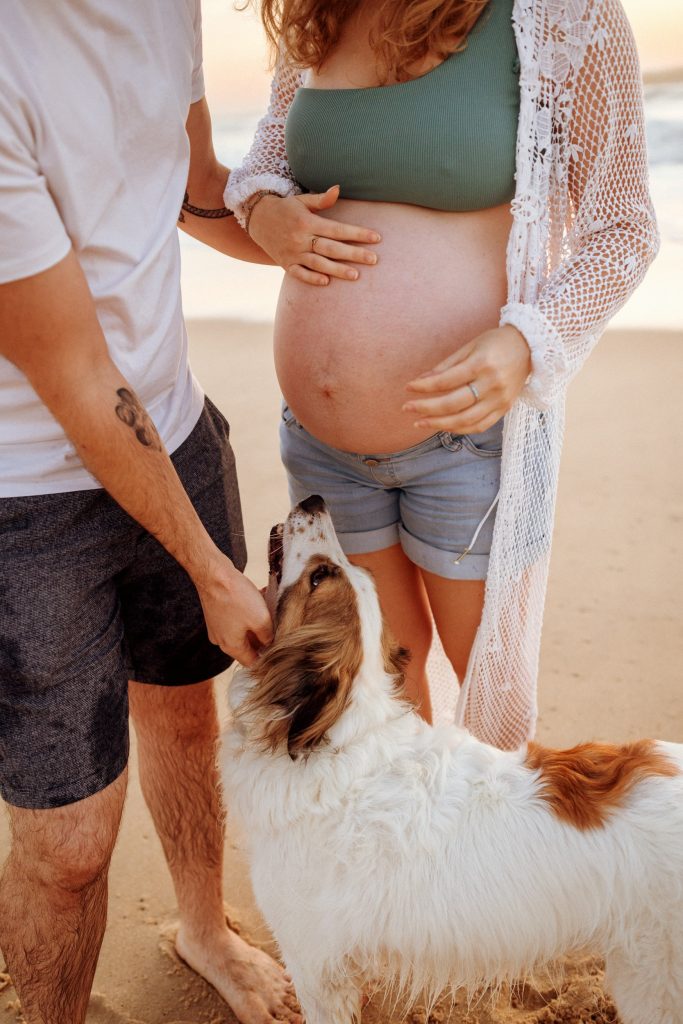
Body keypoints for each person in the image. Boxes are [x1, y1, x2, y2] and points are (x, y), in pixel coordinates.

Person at [0, 2, 375, 1021]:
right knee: (71, 845)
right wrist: (213, 570)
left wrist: (273, 224)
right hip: (23, 493)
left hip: (171, 427)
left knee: (185, 707)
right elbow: (76, 376)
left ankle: (204, 928)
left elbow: (193, 184)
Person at [224, 0, 659, 743]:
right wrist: (261, 207)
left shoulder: (563, 13)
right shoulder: (322, 13)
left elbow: (623, 227)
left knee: (488, 704)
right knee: (382, 688)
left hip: (467, 439)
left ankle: (498, 860)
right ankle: (412, 859)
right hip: (326, 448)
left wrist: (526, 343)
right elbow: (268, 155)